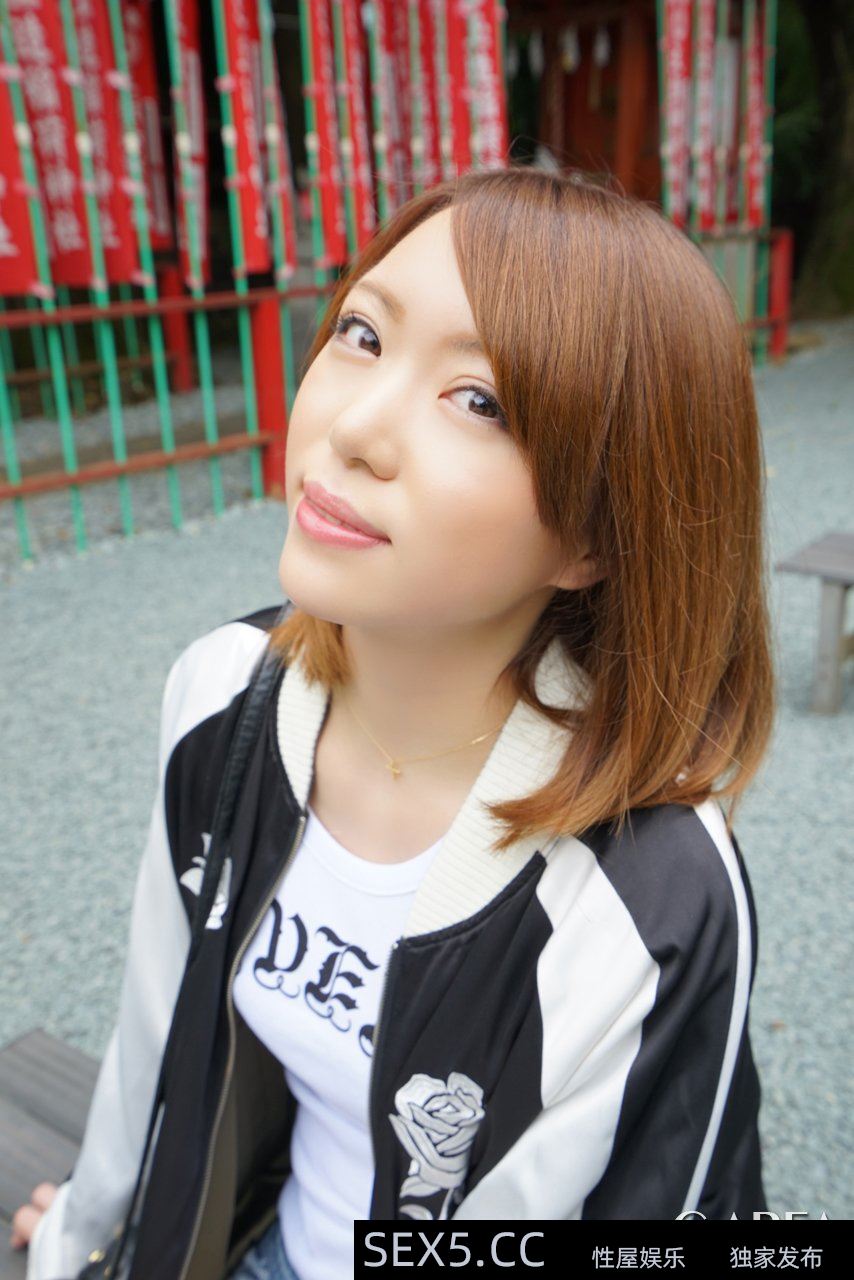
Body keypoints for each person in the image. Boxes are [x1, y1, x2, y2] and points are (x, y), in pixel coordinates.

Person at [14, 166, 775, 1280]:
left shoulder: (645, 895)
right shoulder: (225, 697)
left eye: (480, 400)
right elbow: (159, 1036)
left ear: (594, 535)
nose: (355, 425)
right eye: (361, 334)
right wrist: (90, 1237)